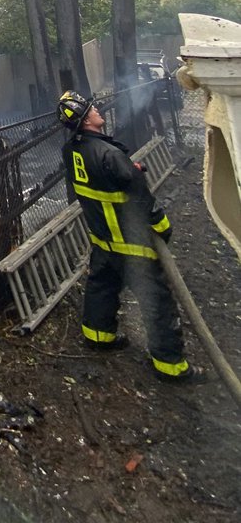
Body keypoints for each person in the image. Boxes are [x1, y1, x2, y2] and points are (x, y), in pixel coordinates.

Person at [57, 90, 205, 383]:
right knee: (157, 303)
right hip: (132, 243)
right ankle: (171, 367)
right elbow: (140, 198)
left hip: (103, 240)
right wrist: (162, 226)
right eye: (92, 109)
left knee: (102, 287)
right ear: (85, 120)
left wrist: (126, 170)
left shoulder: (71, 151)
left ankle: (98, 337)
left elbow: (102, 181)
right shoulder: (110, 155)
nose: (98, 110)